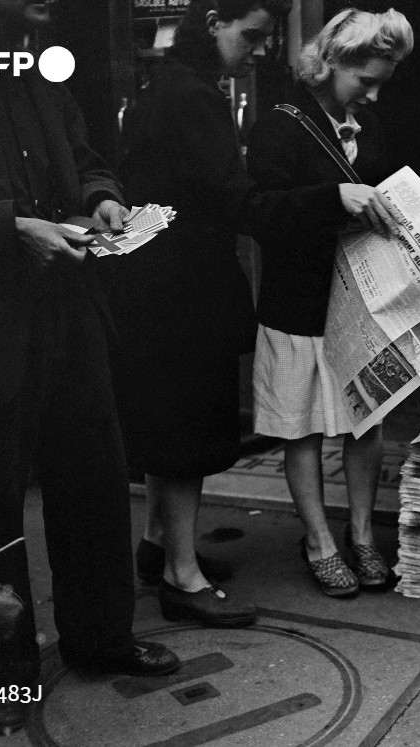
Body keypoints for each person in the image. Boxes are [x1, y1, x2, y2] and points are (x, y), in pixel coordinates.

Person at [0, 0, 181, 736]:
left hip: (68, 312)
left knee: (94, 479)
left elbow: (85, 157)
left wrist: (102, 197)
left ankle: (101, 640)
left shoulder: (40, 61)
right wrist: (10, 228)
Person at [113, 0, 340, 629]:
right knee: (188, 436)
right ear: (213, 22)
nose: (261, 49)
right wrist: (332, 199)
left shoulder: (164, 85)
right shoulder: (198, 98)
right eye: (252, 35)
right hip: (186, 288)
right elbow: (240, 204)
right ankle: (182, 578)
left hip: (152, 281)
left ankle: (159, 546)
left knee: (168, 427)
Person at [246, 8, 412, 598]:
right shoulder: (278, 125)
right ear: (332, 62)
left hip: (362, 298)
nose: (373, 95)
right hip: (298, 299)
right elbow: (256, 211)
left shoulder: (372, 126)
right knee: (302, 426)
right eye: (365, 80)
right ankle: (319, 541)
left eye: (381, 83)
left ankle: (362, 535)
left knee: (366, 419)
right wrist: (332, 198)